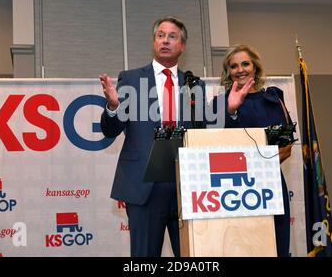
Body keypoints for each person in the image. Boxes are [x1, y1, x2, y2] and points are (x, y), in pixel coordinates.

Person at [99, 16, 205, 257]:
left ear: (182, 46)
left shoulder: (194, 85)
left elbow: (203, 133)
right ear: (154, 41)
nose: (165, 40)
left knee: (193, 256)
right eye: (160, 35)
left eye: (172, 36)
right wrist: (114, 106)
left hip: (186, 186)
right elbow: (110, 130)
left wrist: (228, 111)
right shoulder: (132, 78)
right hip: (144, 184)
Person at [219, 44, 293, 257]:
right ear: (228, 72)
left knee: (276, 247)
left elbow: (286, 149)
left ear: (255, 68)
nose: (240, 69)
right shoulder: (220, 105)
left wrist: (256, 165)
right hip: (235, 191)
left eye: (245, 63)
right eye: (234, 66)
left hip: (271, 186)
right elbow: (214, 149)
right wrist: (231, 110)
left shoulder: (273, 99)